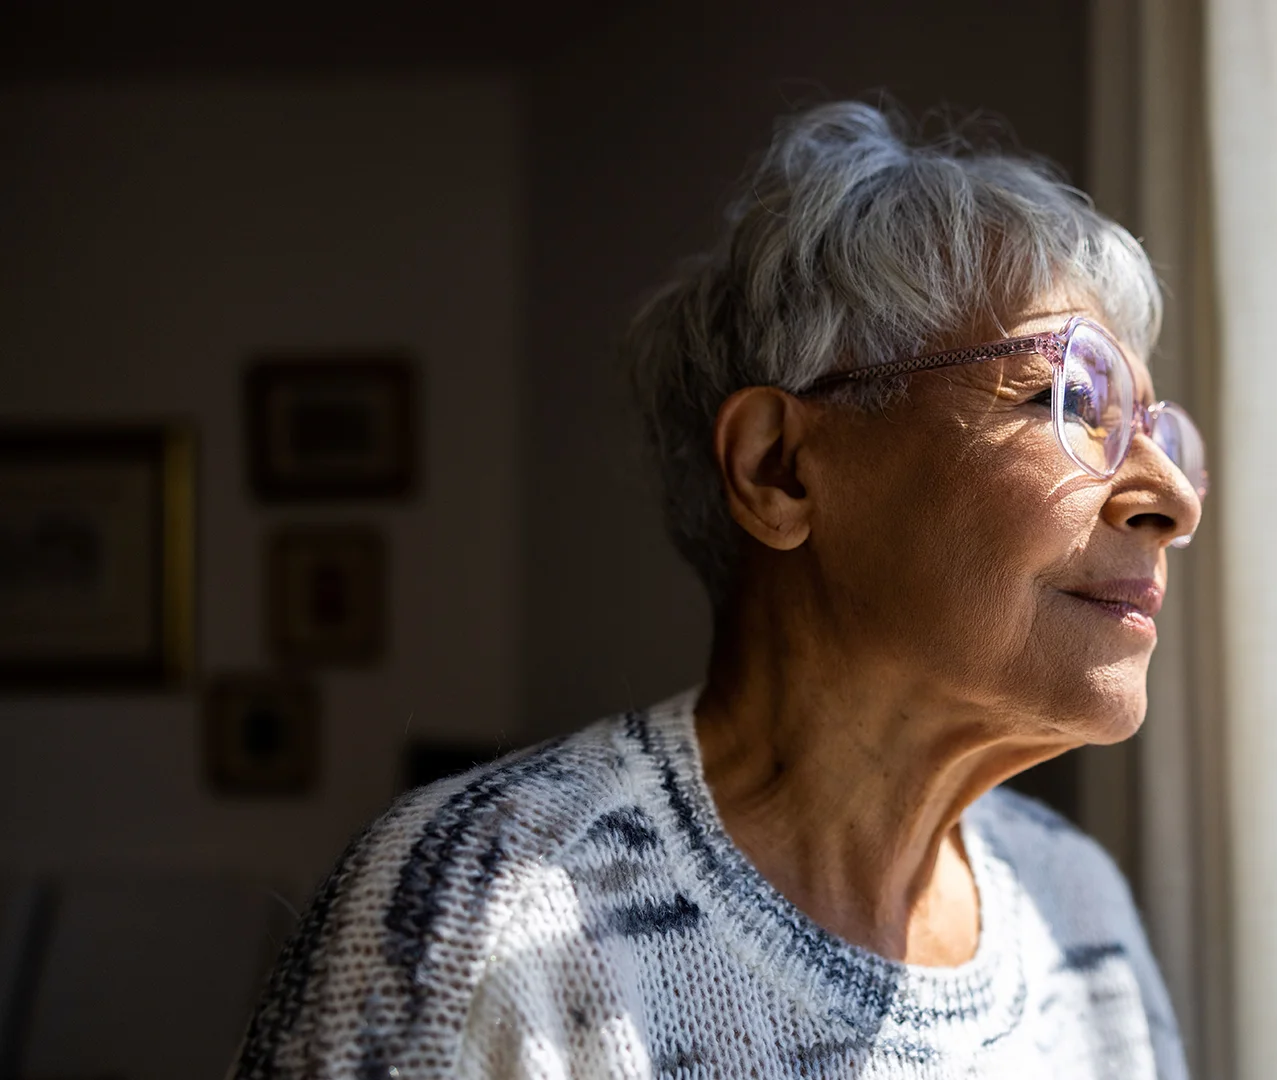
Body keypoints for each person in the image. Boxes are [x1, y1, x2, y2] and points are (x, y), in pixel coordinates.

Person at [232, 100, 1205, 1079]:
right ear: (778, 468)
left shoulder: (1077, 913)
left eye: (1161, 435)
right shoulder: (482, 907)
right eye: (1068, 402)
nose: (1170, 498)